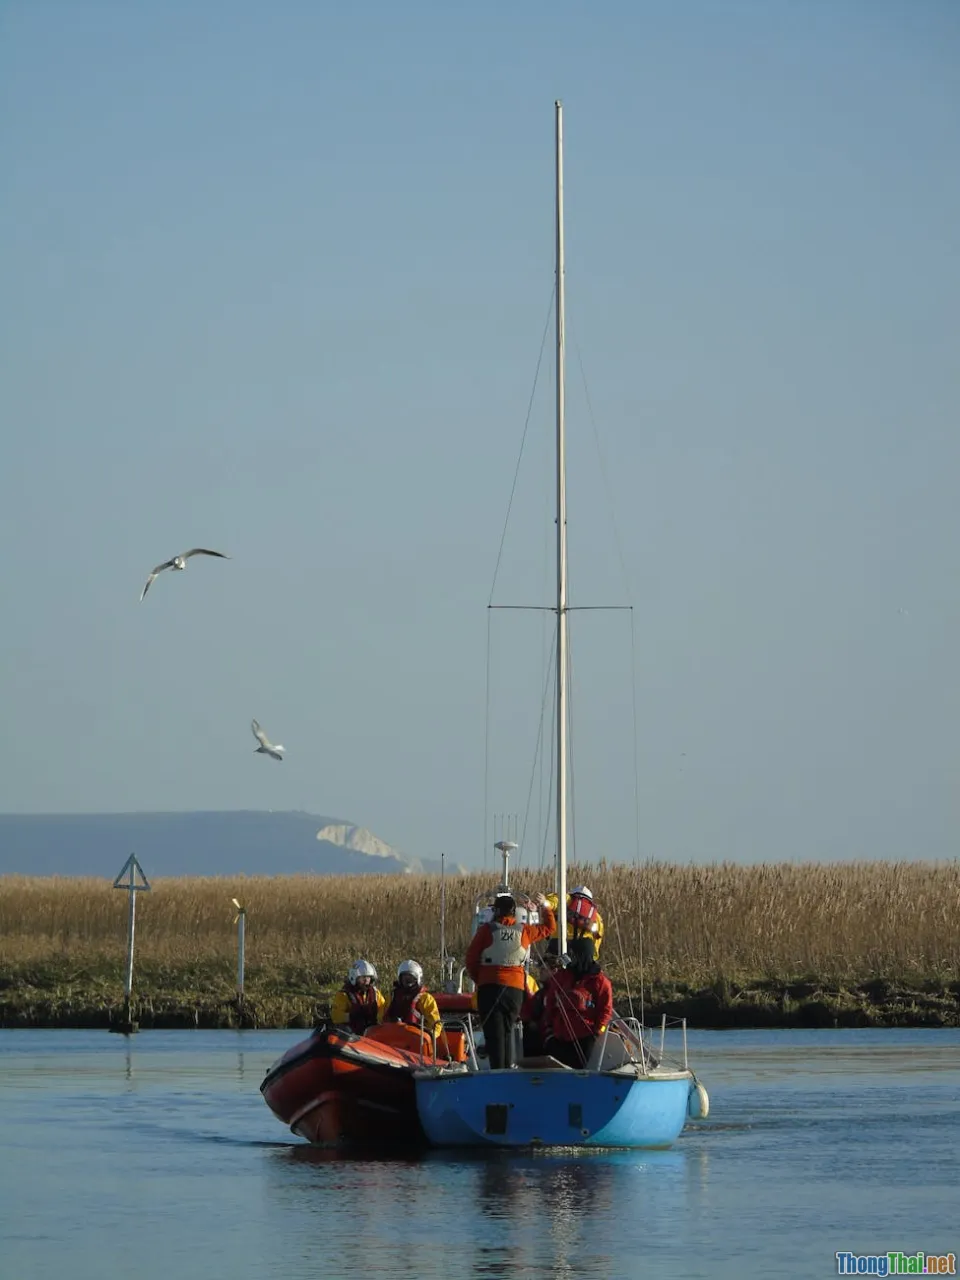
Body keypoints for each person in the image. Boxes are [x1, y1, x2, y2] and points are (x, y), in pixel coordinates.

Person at [465, 890, 556, 1069]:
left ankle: (498, 1071)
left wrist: (480, 979)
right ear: (514, 913)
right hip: (514, 990)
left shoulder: (486, 931)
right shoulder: (525, 931)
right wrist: (546, 906)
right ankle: (507, 1069)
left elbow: (471, 959)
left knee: (493, 1033)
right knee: (507, 1030)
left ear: (495, 912)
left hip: (489, 987)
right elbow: (549, 927)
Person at [543, 935, 614, 1068]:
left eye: (573, 954)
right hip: (560, 1036)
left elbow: (606, 1010)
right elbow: (551, 1002)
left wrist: (598, 1031)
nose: (571, 958)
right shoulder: (561, 977)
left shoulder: (601, 982)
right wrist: (549, 1027)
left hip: (584, 1037)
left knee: (578, 1067)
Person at [521, 937, 561, 1057]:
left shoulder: (559, 992)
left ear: (554, 971)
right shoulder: (541, 994)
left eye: (544, 969)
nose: (540, 972)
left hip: (553, 1036)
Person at [544, 884, 605, 956]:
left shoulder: (566, 899)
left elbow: (552, 902)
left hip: (559, 942)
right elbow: (597, 938)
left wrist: (544, 903)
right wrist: (592, 957)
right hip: (585, 946)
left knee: (549, 963)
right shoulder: (596, 915)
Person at [384, 959, 442, 1035]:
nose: (407, 981)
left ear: (417, 979)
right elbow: (382, 1018)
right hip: (392, 1036)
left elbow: (436, 1025)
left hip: (416, 1039)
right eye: (404, 978)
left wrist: (429, 1035)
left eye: (410, 979)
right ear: (400, 979)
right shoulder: (392, 996)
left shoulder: (425, 999)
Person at [331, 958, 386, 1034]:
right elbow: (336, 1016)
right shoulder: (343, 995)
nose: (366, 981)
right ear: (354, 978)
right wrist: (351, 1016)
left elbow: (384, 1008)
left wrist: (379, 1019)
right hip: (353, 1036)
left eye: (368, 978)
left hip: (372, 1033)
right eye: (363, 978)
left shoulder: (375, 993)